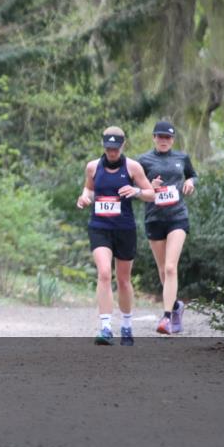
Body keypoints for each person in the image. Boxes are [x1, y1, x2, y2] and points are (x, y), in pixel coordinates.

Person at [76, 127, 155, 345]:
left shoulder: (133, 167)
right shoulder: (93, 167)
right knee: (103, 273)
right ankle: (105, 327)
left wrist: (136, 191)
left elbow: (151, 194)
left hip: (124, 229)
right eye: (108, 148)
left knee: (123, 280)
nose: (112, 152)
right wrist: (84, 198)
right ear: (103, 146)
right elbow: (89, 190)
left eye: (115, 149)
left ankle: (127, 325)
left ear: (123, 146)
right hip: (99, 226)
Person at [137, 120, 197, 335]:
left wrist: (191, 182)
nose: (164, 141)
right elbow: (135, 188)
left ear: (173, 140)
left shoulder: (182, 158)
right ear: (154, 138)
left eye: (168, 137)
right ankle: (176, 307)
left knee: (171, 267)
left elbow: (192, 174)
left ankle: (166, 317)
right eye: (160, 137)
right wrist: (148, 188)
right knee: (162, 270)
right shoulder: (143, 160)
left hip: (177, 218)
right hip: (154, 218)